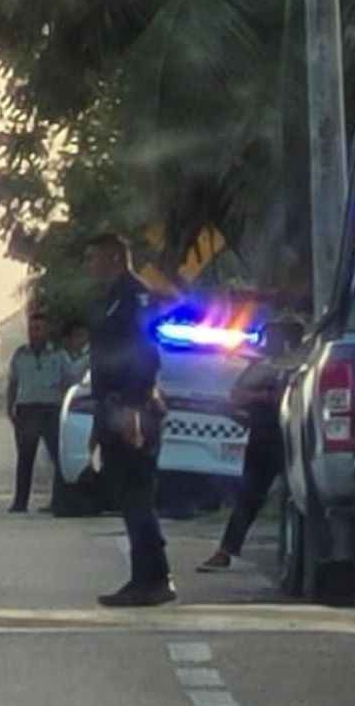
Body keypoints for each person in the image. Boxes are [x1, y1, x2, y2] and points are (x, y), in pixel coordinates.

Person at [83, 232, 177, 607]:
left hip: (131, 408)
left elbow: (145, 355)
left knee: (137, 496)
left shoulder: (133, 298)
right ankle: (146, 576)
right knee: (129, 496)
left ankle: (153, 578)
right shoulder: (112, 300)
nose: (88, 266)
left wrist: (134, 409)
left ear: (115, 260)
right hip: (113, 406)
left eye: (93, 258)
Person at [196, 317, 304, 572]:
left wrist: (273, 394)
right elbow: (237, 396)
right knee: (248, 497)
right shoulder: (262, 366)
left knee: (299, 500)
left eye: (274, 338)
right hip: (264, 438)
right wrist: (264, 395)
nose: (269, 344)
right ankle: (225, 551)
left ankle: (298, 559)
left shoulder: (302, 365)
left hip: (295, 437)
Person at [5, 309, 68, 513]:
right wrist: (10, 407)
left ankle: (59, 501)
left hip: (50, 409)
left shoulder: (58, 354)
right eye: (32, 329)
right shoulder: (20, 354)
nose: (35, 333)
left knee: (58, 457)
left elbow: (69, 380)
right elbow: (13, 383)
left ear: (47, 330)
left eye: (39, 329)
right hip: (27, 409)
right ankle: (20, 502)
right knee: (25, 457)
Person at [59, 318, 91, 385]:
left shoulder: (89, 358)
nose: (84, 340)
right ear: (66, 339)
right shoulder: (56, 359)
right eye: (79, 335)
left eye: (86, 336)